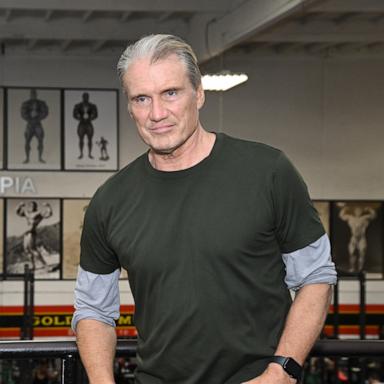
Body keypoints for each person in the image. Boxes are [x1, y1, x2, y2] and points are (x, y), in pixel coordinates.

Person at [72, 34, 337, 384]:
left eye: (170, 93)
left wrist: (282, 370)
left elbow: (316, 277)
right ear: (129, 106)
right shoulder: (110, 200)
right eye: (141, 98)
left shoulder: (268, 171)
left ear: (198, 94)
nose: (156, 113)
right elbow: (93, 309)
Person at [338, 204, 376, 272]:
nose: (358, 212)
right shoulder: (350, 217)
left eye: (360, 210)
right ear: (354, 211)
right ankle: (352, 268)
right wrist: (345, 209)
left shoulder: (364, 218)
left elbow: (373, 216)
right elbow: (341, 216)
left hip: (361, 237)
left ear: (361, 212)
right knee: (352, 253)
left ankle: (361, 269)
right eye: (357, 210)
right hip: (354, 238)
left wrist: (369, 209)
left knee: (362, 254)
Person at [16, 200, 53, 271]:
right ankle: (33, 266)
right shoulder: (27, 213)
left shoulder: (38, 214)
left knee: (33, 249)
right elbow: (17, 212)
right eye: (30, 205)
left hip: (31, 233)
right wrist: (20, 205)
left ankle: (46, 266)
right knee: (27, 250)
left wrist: (48, 206)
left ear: (35, 207)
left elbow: (49, 214)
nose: (31, 207)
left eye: (33, 205)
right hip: (26, 233)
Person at [21, 89, 49, 164]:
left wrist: (37, 116)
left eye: (34, 94)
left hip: (38, 124)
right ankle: (27, 158)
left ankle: (40, 158)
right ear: (30, 95)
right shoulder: (25, 103)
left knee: (40, 141)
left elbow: (45, 112)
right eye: (32, 94)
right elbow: (23, 114)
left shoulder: (41, 103)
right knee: (27, 141)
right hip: (30, 124)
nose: (33, 95)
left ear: (36, 94)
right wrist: (30, 116)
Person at [73, 92, 98, 159]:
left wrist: (90, 118)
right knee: (81, 139)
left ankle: (89, 154)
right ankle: (81, 154)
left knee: (90, 139)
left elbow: (95, 115)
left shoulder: (92, 106)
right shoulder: (78, 105)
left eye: (87, 96)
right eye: (85, 96)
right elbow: (74, 114)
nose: (86, 98)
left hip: (89, 123)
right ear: (83, 97)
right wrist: (80, 118)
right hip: (81, 123)